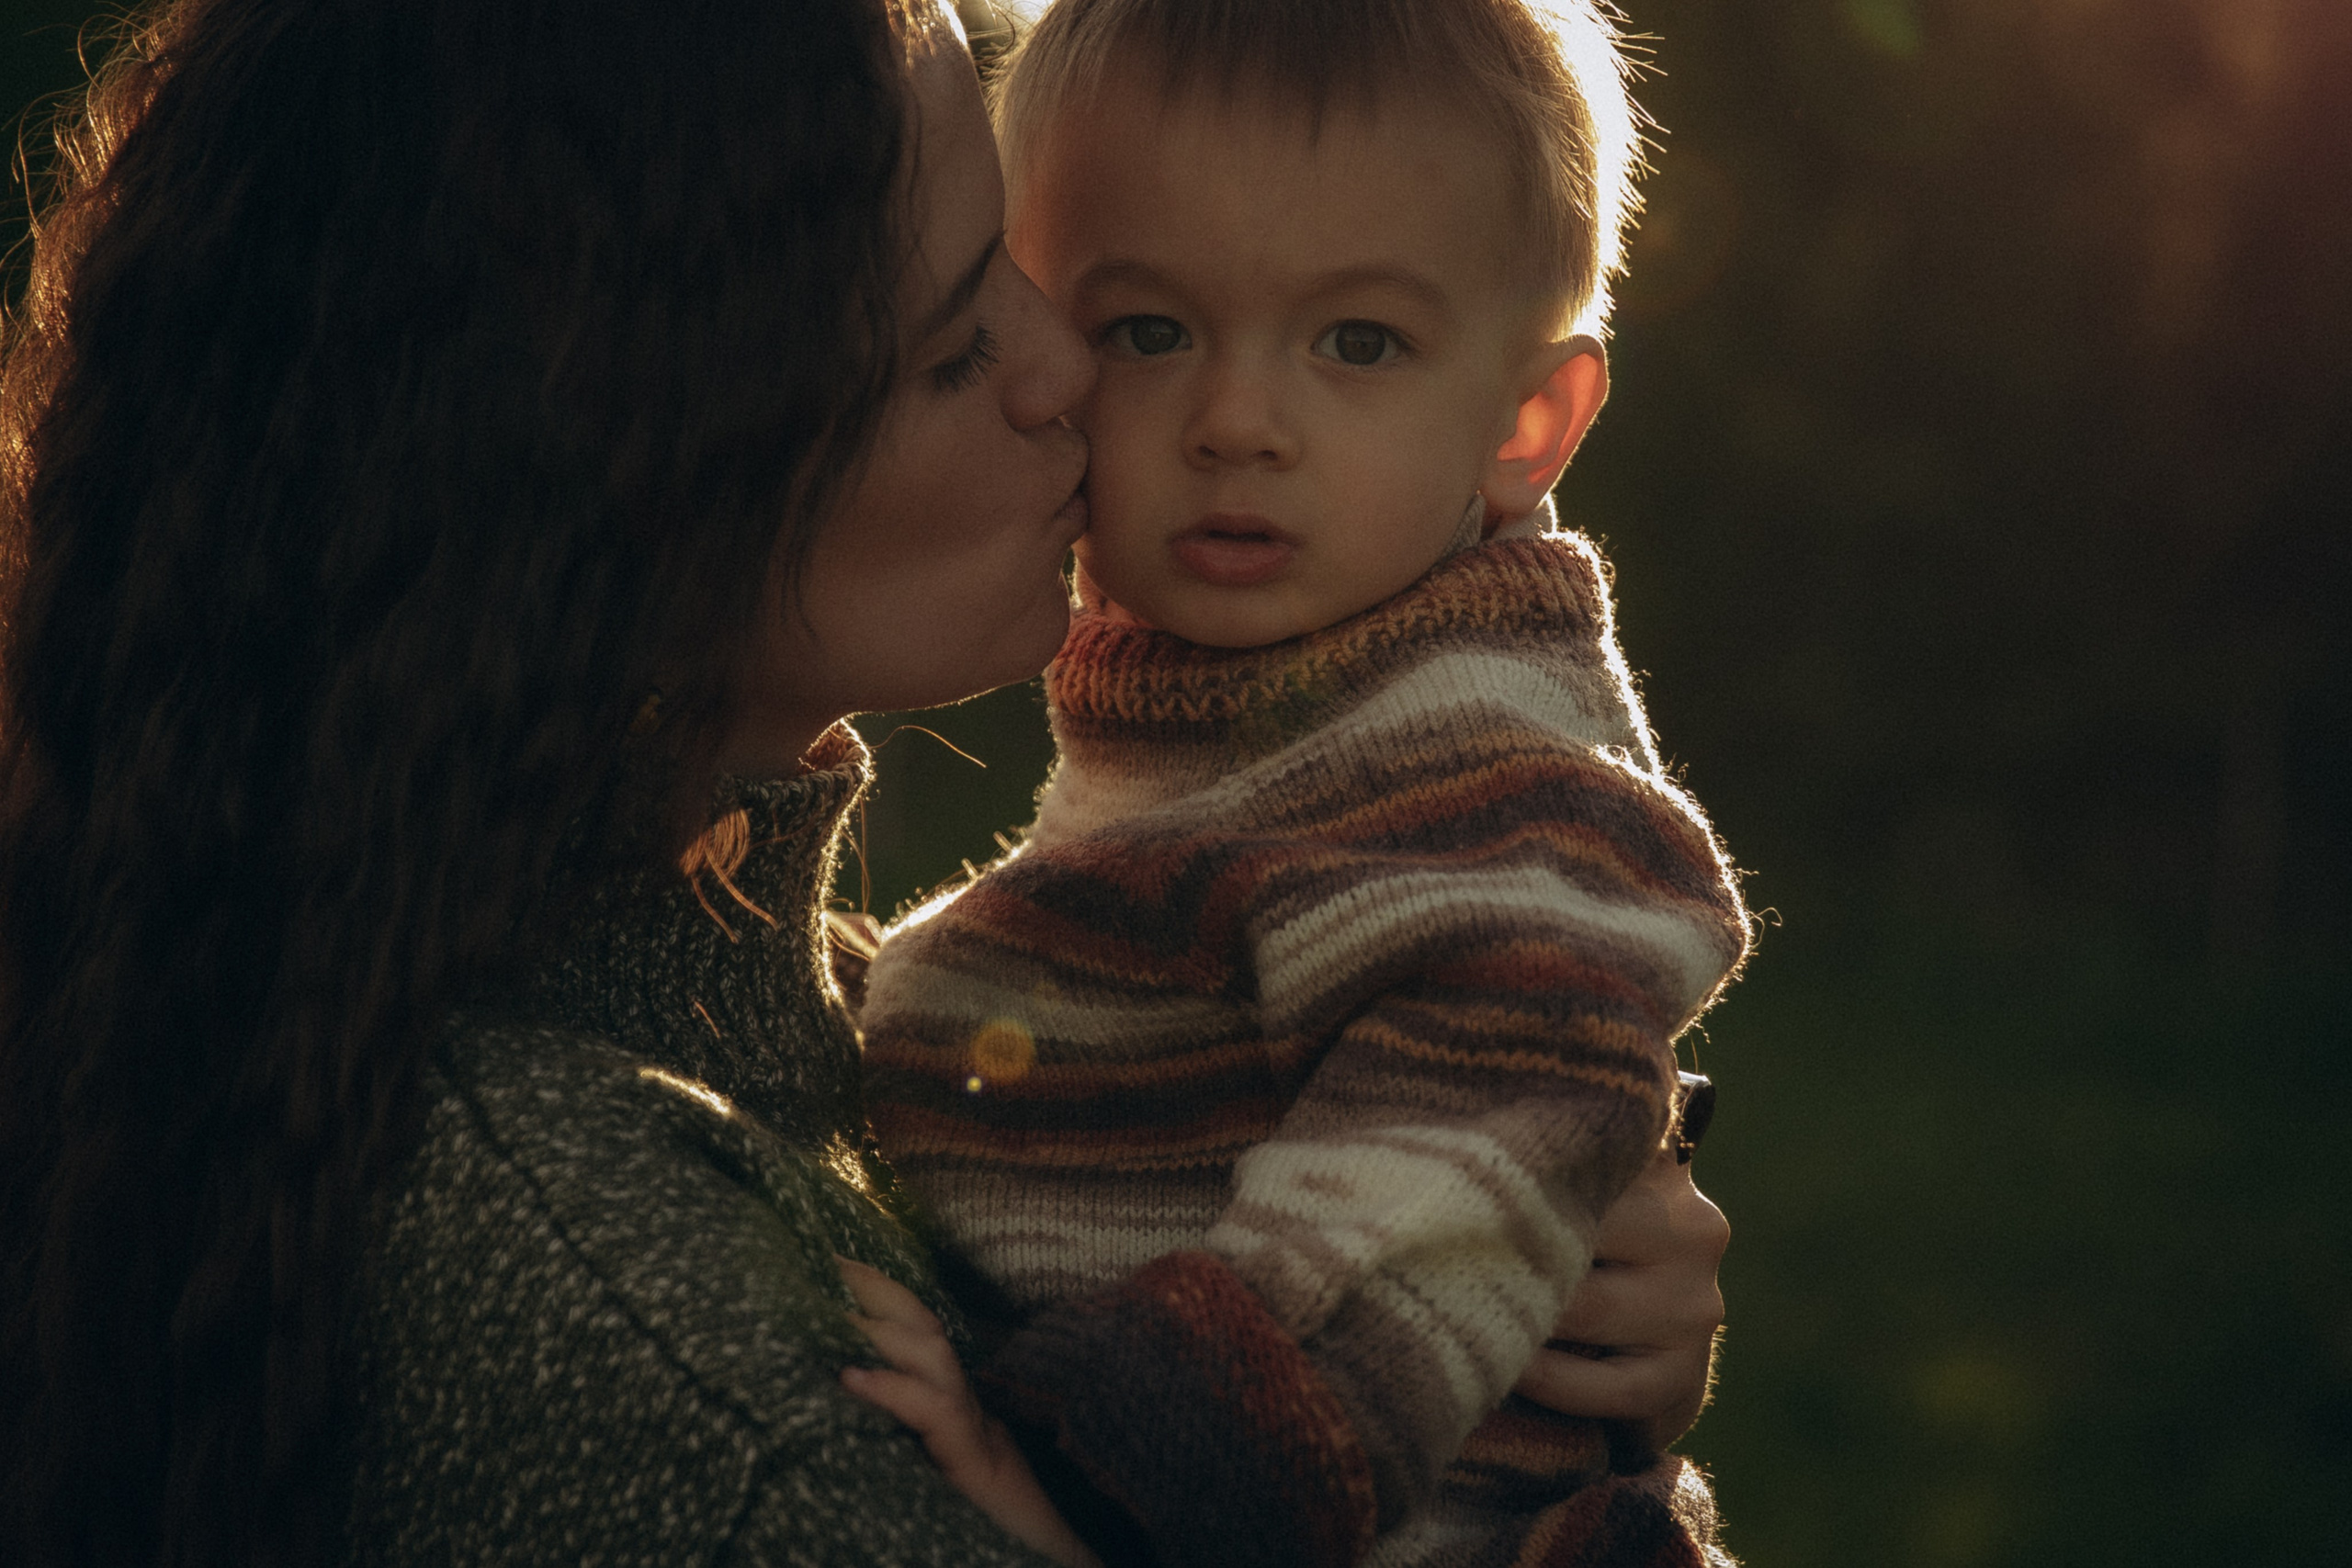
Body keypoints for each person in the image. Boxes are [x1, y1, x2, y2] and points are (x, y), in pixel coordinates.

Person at [0, 0, 1724, 1563]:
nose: (1075, 378)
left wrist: (1544, 1309)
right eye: (971, 336)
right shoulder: (618, 1320)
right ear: (649, 468)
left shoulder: (714, 992)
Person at [854, 2, 1751, 1564]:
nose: (1236, 424)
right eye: (1150, 330)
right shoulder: (1251, 726)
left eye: (1358, 342)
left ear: (1528, 424)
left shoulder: (1486, 783)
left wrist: (1096, 1490)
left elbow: (1436, 1184)